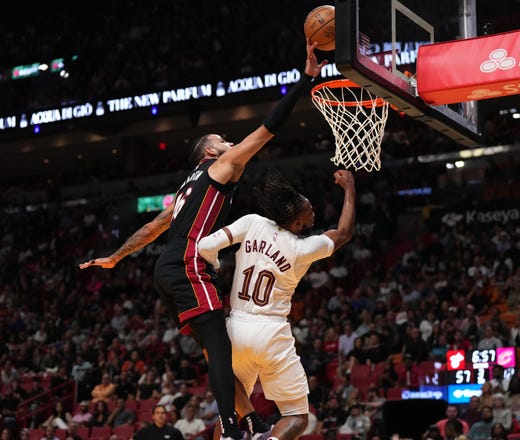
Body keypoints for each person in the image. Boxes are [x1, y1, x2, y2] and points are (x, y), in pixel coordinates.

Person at [79, 38, 327, 440]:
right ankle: (231, 428)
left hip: (164, 268)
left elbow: (150, 230)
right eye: (225, 141)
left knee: (215, 350)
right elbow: (268, 131)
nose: (232, 144)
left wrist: (116, 257)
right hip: (186, 264)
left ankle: (251, 422)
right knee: (221, 348)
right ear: (210, 152)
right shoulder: (220, 165)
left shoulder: (183, 191)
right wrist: (305, 79)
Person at [197, 168, 356, 440]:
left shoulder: (251, 222)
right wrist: (350, 189)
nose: (313, 210)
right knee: (296, 416)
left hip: (235, 328)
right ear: (296, 223)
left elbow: (205, 246)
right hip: (271, 332)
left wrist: (214, 266)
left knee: (231, 413)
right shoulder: (302, 248)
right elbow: (343, 233)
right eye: (309, 209)